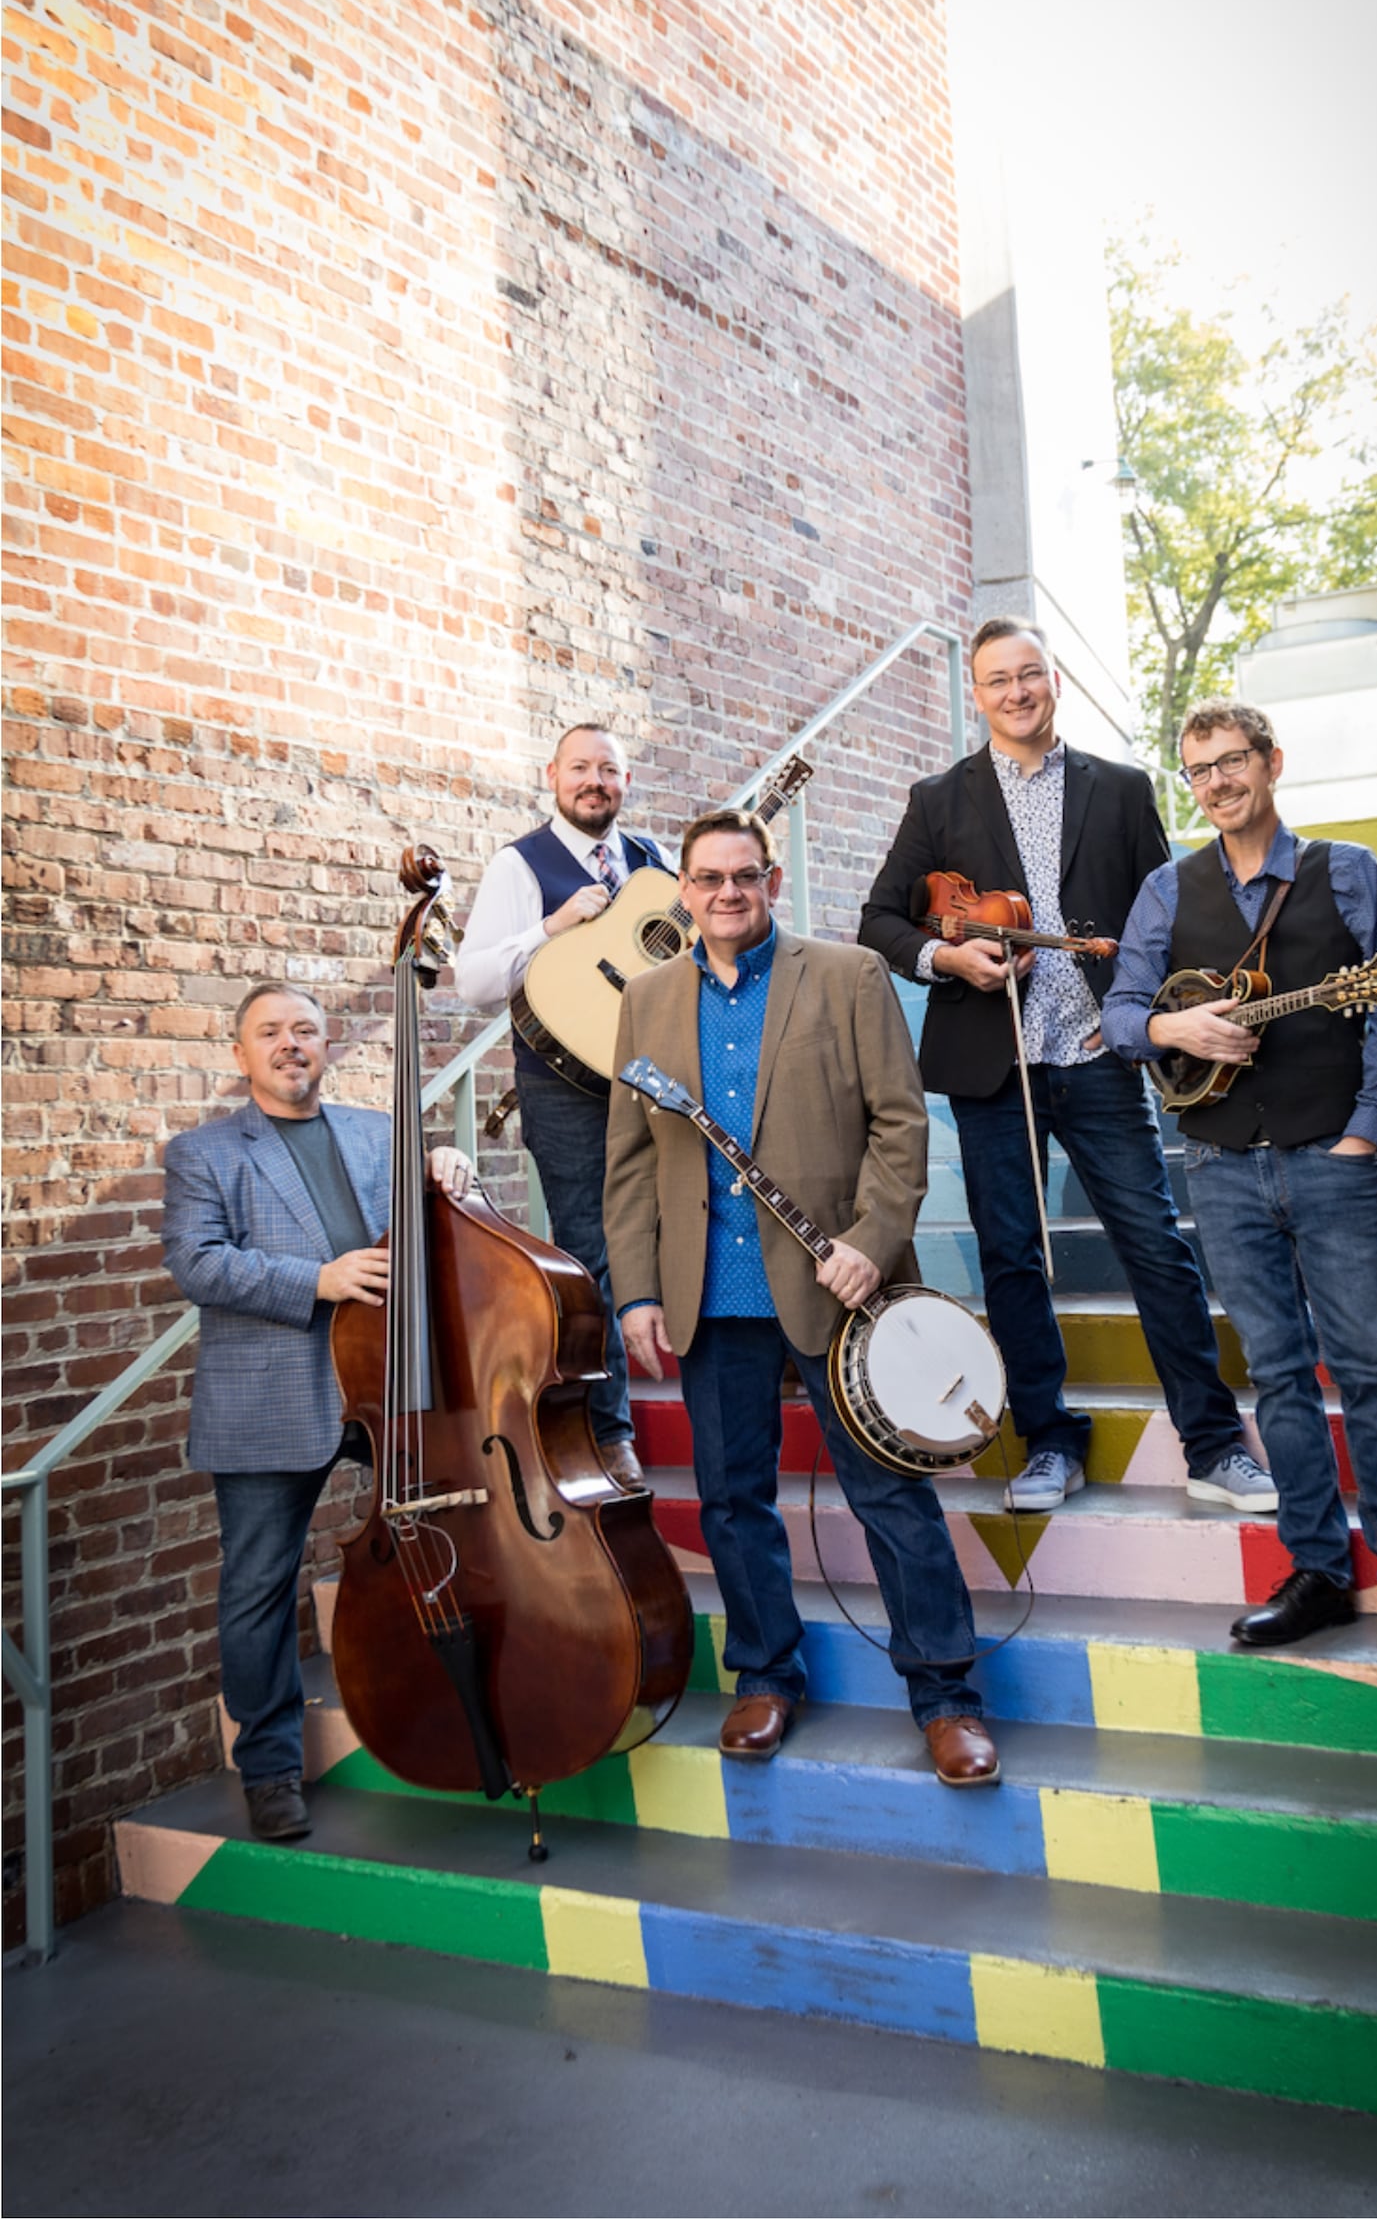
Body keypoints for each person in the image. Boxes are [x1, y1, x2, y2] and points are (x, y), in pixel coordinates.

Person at [1100, 700, 1377, 1667]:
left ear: (1272, 762)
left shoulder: (1347, 870)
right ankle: (1318, 1573)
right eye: (1198, 768)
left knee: (1369, 1375)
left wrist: (1365, 1135)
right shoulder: (1168, 889)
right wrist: (1177, 1030)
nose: (1216, 782)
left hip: (1333, 1160)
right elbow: (1121, 1013)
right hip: (1219, 1165)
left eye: (1232, 761)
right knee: (1281, 1378)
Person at [605, 810, 1001, 1785]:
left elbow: (899, 1125)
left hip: (837, 1286)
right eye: (707, 879)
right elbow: (627, 1166)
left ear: (771, 881)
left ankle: (946, 1694)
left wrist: (872, 1240)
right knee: (734, 1499)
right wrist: (638, 1292)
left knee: (888, 1493)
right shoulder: (647, 1000)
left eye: (744, 877)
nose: (727, 893)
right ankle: (766, 1674)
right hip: (711, 1292)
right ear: (684, 891)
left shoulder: (848, 976)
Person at [859, 620, 1272, 1516]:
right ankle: (1049, 1439)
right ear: (976, 694)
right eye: (997, 680)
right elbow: (881, 921)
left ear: (1055, 682)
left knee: (1156, 1248)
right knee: (1012, 1257)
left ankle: (1212, 1444)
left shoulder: (1120, 790)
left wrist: (1149, 1012)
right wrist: (949, 961)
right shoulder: (938, 799)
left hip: (1095, 1053)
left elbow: (1171, 918)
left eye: (1030, 675)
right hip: (991, 1062)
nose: (1016, 692)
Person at [162, 984, 474, 1843]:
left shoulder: (379, 1132)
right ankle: (269, 1769)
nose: (289, 1043)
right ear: (241, 1052)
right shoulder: (205, 1152)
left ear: (328, 1044)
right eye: (269, 1031)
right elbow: (196, 1263)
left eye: (305, 1028)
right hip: (271, 1394)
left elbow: (431, 1224)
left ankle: (471, 1700)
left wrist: (444, 1165)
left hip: (388, 1381)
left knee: (464, 1532)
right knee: (259, 1585)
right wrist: (318, 1280)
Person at [456, 723, 671, 1493]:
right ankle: (612, 1431)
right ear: (552, 774)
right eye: (581, 767)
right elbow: (473, 978)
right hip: (561, 1085)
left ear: (625, 782)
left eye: (609, 770)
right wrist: (552, 927)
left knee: (689, 1217)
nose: (595, 781)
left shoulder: (650, 865)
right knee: (592, 1246)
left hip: (650, 1077)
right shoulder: (520, 864)